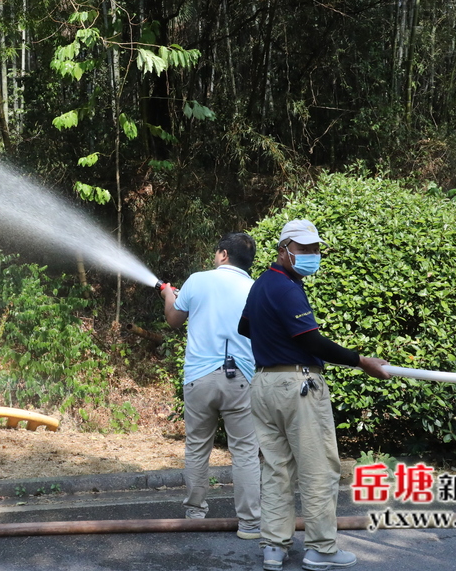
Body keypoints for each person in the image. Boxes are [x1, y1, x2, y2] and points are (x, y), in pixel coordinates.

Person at [238, 219, 390, 571]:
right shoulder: (287, 288)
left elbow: (245, 326)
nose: (311, 255)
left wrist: (272, 341)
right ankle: (321, 548)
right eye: (303, 249)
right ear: (283, 249)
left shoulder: (262, 283)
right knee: (318, 469)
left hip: (263, 384)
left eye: (315, 249)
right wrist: (361, 361)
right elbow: (311, 341)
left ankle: (274, 547)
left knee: (275, 469)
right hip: (298, 384)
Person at [159, 232, 261, 540]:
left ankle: (195, 514)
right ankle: (250, 524)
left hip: (199, 377)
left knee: (197, 446)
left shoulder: (197, 280)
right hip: (242, 377)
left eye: (217, 253)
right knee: (245, 451)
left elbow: (174, 319)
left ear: (223, 255)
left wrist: (168, 294)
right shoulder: (256, 288)